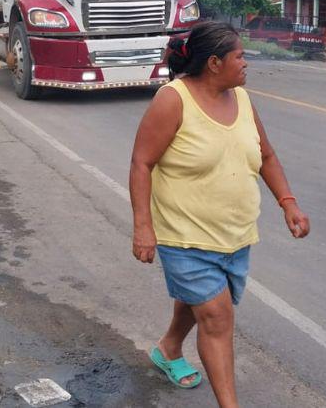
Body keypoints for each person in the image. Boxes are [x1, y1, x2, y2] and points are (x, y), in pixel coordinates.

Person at [128, 21, 310, 408]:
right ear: (214, 63)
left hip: (234, 234)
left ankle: (168, 348)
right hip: (184, 235)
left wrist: (288, 202)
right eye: (239, 56)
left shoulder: (241, 99)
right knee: (216, 315)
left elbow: (266, 155)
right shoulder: (173, 100)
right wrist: (143, 227)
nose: (246, 63)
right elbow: (142, 162)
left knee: (202, 301)